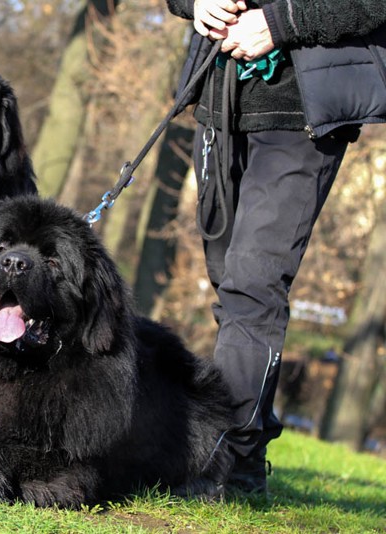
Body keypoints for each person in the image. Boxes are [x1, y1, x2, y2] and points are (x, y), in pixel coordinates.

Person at [165, 0, 386, 495]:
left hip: (302, 113)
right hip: (220, 100)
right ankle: (245, 460)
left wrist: (279, 23)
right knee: (230, 285)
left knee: (253, 285)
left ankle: (225, 461)